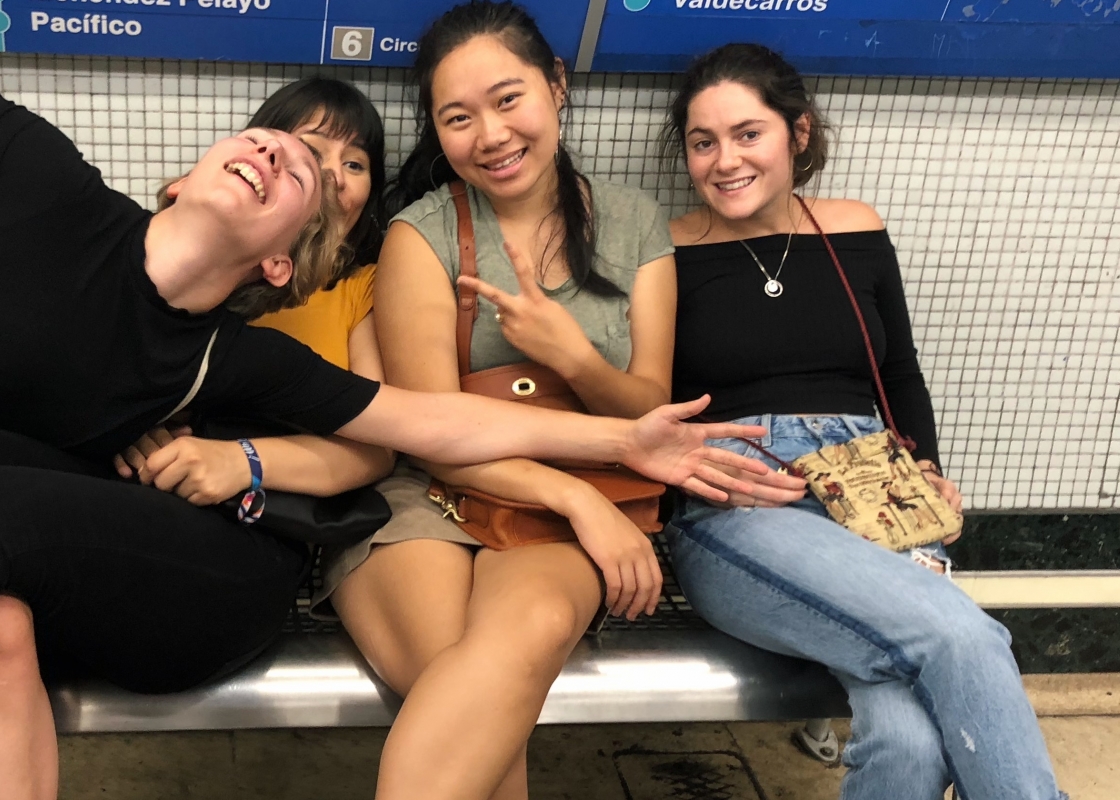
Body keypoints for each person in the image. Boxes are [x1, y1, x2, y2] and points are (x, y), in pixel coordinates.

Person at [0, 0, 798, 796]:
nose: (301, 164)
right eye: (283, 141)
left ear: (292, 248)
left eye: (335, 170)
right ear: (182, 173)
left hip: (185, 568)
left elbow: (418, 425)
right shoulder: (65, 202)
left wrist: (616, 436)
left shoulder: (243, 355)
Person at [0, 75, 398, 800]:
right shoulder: (189, 256)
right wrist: (130, 429)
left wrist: (240, 461)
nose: (333, 172)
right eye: (309, 148)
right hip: (102, 522)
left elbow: (375, 449)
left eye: (356, 162)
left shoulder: (359, 288)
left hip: (227, 549)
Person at [323, 4, 803, 799]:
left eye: (509, 99)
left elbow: (646, 401)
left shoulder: (633, 222)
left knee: (517, 649)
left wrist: (571, 355)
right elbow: (432, 433)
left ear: (556, 88)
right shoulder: (421, 234)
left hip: (568, 502)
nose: (491, 134)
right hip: (428, 491)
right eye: (458, 117)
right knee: (471, 688)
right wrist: (579, 497)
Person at [662, 42, 1067, 800]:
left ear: (799, 133)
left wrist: (931, 471)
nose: (724, 160)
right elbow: (643, 398)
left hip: (875, 490)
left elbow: (901, 368)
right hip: (747, 498)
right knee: (960, 635)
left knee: (911, 741)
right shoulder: (667, 252)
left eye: (749, 133)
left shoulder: (853, 228)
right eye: (702, 140)